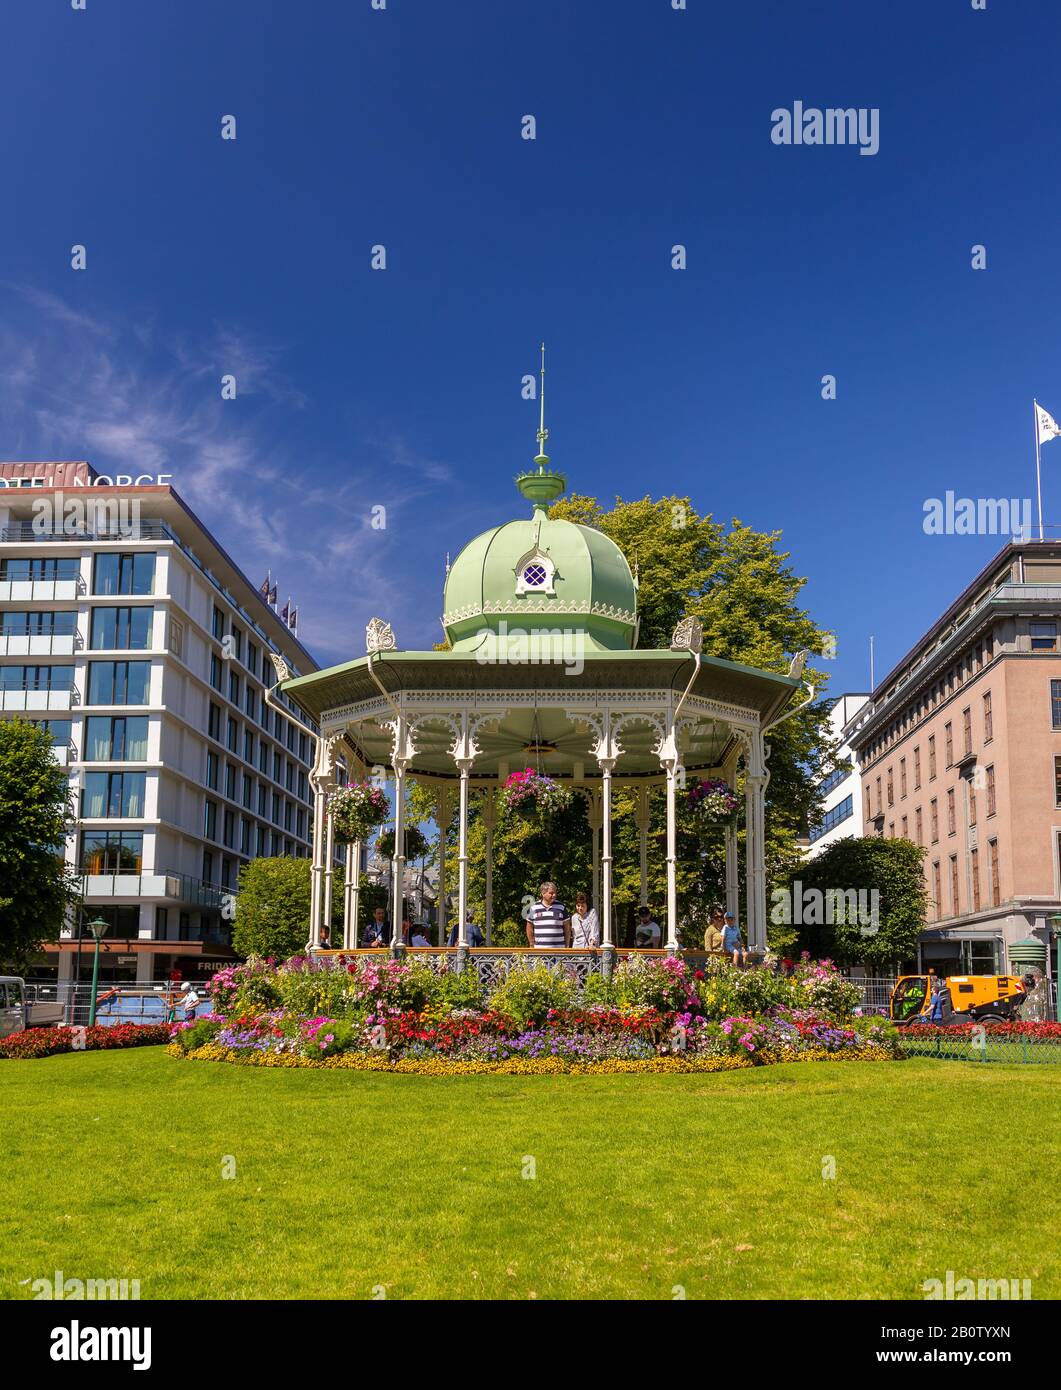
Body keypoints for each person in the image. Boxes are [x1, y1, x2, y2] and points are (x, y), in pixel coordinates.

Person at [526, 881, 571, 948]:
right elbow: (529, 928)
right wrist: (532, 944)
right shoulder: (534, 907)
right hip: (540, 951)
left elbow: (567, 928)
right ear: (543, 893)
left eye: (555, 893)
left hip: (559, 950)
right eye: (551, 893)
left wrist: (567, 946)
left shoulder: (561, 907)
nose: (554, 895)